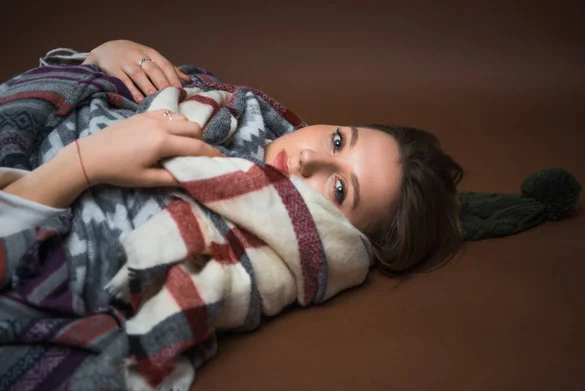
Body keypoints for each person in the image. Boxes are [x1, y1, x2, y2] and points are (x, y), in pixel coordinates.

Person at [1, 39, 464, 274]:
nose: (308, 160)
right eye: (339, 141)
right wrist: (98, 58)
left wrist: (84, 164)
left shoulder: (222, 250)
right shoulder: (234, 105)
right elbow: (74, 90)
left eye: (340, 189)